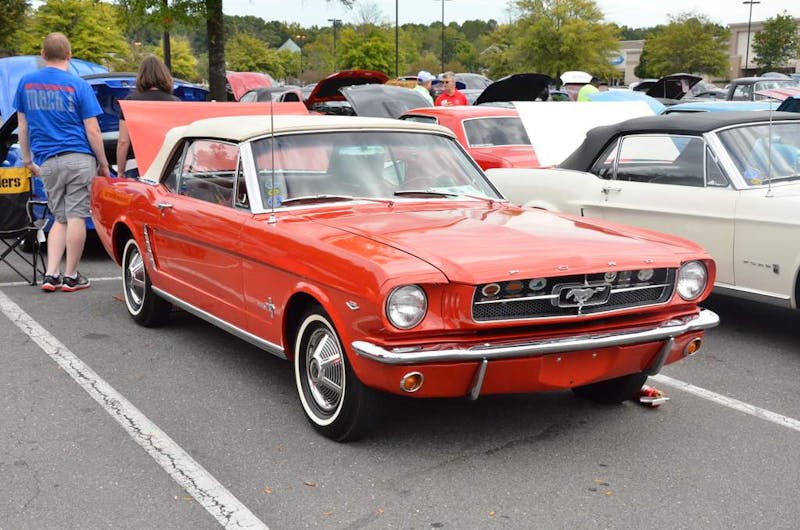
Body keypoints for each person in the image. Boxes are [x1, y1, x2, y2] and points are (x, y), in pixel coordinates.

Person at [14, 32, 110, 292]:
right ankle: (71, 276)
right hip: (79, 158)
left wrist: (27, 159)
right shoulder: (78, 84)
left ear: (43, 55)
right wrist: (103, 162)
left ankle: (51, 273)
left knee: (59, 217)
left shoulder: (26, 83)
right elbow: (92, 129)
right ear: (69, 55)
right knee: (77, 215)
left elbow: (23, 125)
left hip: (47, 161)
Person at [115, 55, 180, 177]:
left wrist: (120, 171)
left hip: (136, 164)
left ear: (141, 75)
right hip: (167, 164)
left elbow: (123, 141)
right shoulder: (175, 102)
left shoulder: (131, 101)